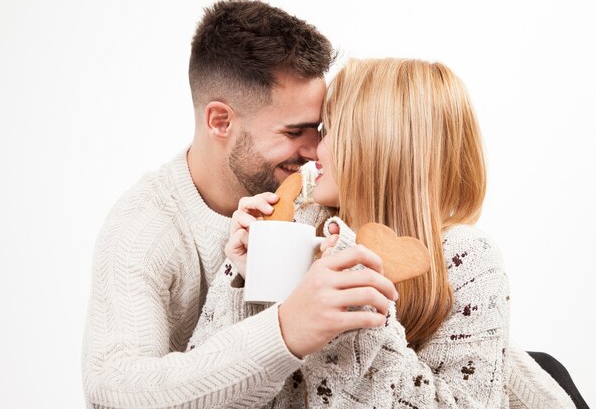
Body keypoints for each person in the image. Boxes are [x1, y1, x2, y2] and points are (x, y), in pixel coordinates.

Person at [187, 58, 578, 408]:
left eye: (329, 131)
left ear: (376, 145)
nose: (311, 151)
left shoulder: (467, 260)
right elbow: (193, 394)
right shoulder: (294, 229)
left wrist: (351, 312)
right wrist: (248, 280)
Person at [81, 0, 397, 409]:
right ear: (220, 121)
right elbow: (114, 391)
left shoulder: (318, 202)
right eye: (295, 131)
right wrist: (285, 332)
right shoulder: (144, 226)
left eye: (320, 128)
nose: (317, 149)